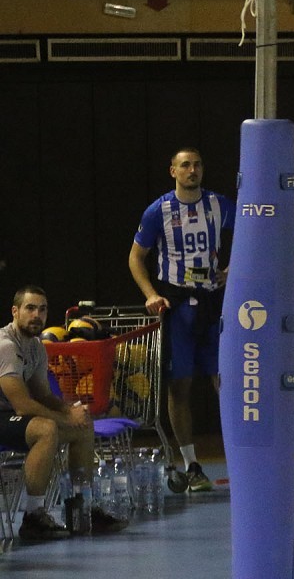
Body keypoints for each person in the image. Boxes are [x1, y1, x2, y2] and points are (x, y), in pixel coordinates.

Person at [127, 146, 234, 492]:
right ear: (173, 171)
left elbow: (253, 233)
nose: (192, 170)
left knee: (226, 381)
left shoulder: (218, 204)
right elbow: (135, 258)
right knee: (180, 384)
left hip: (213, 302)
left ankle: (241, 459)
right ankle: (192, 465)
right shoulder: (158, 211)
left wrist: (232, 268)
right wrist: (150, 295)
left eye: (197, 164)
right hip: (177, 306)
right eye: (185, 165)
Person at [1, 286, 128, 537]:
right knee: (45, 429)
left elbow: (43, 395)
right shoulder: (5, 345)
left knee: (83, 427)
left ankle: (82, 509)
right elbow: (23, 405)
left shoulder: (36, 347)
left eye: (42, 309)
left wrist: (73, 411)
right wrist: (64, 418)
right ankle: (33, 517)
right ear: (15, 311)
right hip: (5, 415)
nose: (36, 315)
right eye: (30, 308)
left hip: (11, 416)